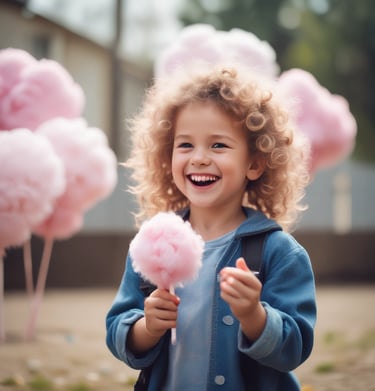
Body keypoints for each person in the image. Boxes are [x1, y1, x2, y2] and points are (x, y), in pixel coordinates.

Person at [106, 63, 316, 391]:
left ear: (255, 163)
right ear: (166, 155)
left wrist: (254, 316)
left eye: (218, 145)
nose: (200, 158)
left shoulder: (279, 252)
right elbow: (117, 328)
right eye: (185, 145)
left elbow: (295, 348)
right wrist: (147, 328)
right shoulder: (154, 242)